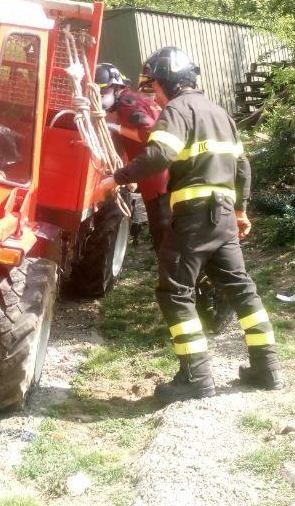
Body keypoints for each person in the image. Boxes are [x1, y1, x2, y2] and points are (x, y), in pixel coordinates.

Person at [96, 46, 283, 402]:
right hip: (224, 216)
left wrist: (114, 178)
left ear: (165, 81)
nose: (154, 94)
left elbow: (159, 155)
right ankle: (267, 367)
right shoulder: (221, 114)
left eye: (153, 86)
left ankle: (195, 377)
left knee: (175, 293)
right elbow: (242, 166)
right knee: (242, 289)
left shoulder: (177, 110)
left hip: (194, 217)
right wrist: (241, 210)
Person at [95, 63, 170, 251]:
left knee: (165, 237)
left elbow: (150, 133)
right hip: (162, 176)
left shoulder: (128, 105)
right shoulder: (135, 99)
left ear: (116, 87)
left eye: (103, 92)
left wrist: (117, 128)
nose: (100, 98)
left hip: (158, 180)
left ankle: (174, 277)